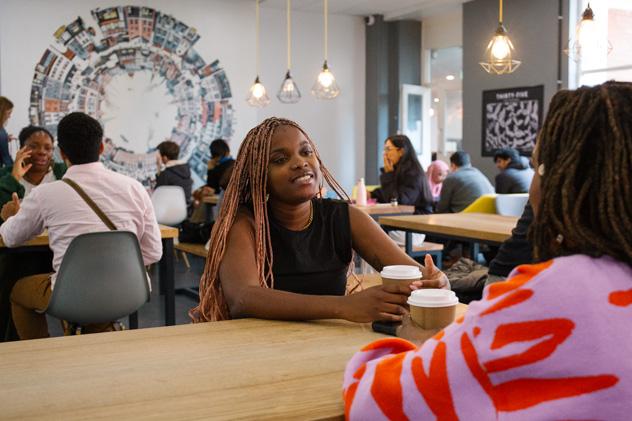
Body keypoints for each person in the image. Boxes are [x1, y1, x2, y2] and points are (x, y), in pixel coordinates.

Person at [342, 83, 632, 419]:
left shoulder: (547, 300)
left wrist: (417, 341)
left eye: (538, 167)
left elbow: (374, 403)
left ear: (560, 181)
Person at [190, 117, 448, 323]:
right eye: (280, 159)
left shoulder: (344, 217)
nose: (300, 163)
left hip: (324, 344)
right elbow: (243, 298)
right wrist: (344, 307)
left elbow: (413, 273)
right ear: (260, 176)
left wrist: (433, 280)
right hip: (259, 349)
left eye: (306, 152)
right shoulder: (244, 223)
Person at [0, 112, 162, 340]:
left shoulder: (46, 193)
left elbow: (10, 238)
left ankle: (40, 356)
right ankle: (95, 334)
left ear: (61, 153)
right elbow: (154, 252)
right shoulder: (134, 188)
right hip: (131, 290)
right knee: (95, 303)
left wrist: (9, 217)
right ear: (102, 149)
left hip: (72, 294)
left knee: (18, 292)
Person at [0, 126, 67, 214]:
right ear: (21, 148)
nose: (42, 152)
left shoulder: (63, 172)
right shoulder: (4, 175)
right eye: (34, 146)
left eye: (48, 148)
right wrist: (14, 178)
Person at [371, 135, 433, 214]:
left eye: (388, 149)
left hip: (416, 220)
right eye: (384, 149)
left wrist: (388, 174)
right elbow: (392, 192)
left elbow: (398, 201)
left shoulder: (413, 174)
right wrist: (372, 194)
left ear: (401, 152)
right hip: (402, 217)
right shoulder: (399, 170)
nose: (385, 154)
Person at [155, 140, 193, 207]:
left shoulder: (166, 173)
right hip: (184, 211)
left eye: (158, 156)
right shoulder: (186, 169)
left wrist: (158, 168)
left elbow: (157, 194)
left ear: (164, 158)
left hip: (168, 212)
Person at [0, 96, 15, 167]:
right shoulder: (1, 133)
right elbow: (6, 159)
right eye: (9, 113)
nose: (9, 116)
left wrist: (5, 139)